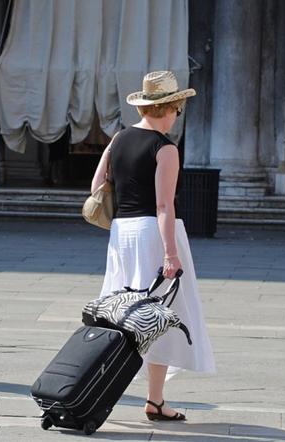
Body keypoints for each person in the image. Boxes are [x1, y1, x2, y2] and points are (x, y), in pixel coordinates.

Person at [90, 71, 216, 422]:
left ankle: (100, 386)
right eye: (178, 107)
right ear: (171, 107)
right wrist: (171, 253)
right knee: (159, 315)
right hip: (152, 232)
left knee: (119, 311)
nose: (179, 113)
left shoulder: (118, 139)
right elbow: (164, 206)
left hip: (122, 233)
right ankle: (155, 399)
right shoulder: (165, 148)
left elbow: (97, 185)